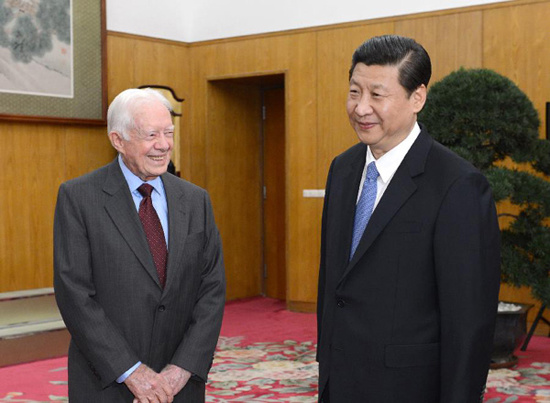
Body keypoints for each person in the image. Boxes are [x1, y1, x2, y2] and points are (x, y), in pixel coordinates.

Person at [316, 35, 501, 402]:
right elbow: (333, 281)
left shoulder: (458, 185)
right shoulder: (343, 168)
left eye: (377, 95)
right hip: (340, 381)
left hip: (409, 387)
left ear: (417, 97)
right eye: (355, 92)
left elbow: (468, 320)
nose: (361, 108)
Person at [54, 88, 226, 402]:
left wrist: (182, 369)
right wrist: (132, 372)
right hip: (108, 382)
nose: (163, 145)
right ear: (118, 140)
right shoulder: (79, 198)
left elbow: (212, 288)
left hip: (180, 385)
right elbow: (75, 294)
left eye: (168, 133)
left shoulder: (195, 200)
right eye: (151, 135)